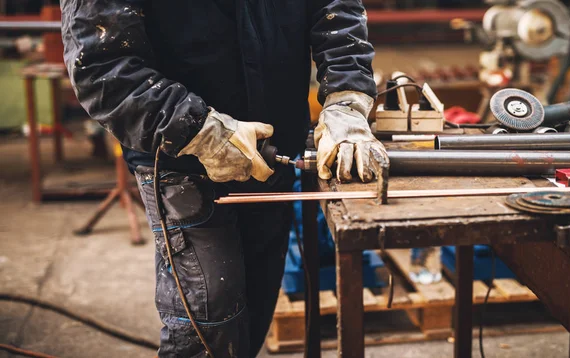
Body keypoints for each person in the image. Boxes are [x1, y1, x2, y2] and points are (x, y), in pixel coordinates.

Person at [61, 0, 388, 356]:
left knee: (255, 310)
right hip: (181, 162)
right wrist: (199, 130)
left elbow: (335, 9)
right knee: (211, 327)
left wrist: (346, 99)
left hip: (271, 155)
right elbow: (101, 66)